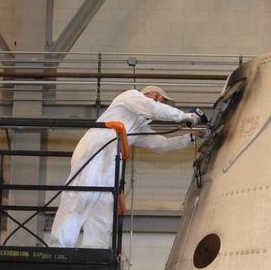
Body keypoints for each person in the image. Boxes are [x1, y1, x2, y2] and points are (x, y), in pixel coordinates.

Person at [50, 85, 202, 249]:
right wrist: (185, 116)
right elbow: (152, 108)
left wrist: (192, 138)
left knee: (104, 208)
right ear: (151, 93)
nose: (162, 103)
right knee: (79, 198)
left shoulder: (138, 126)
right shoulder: (131, 96)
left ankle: (94, 252)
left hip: (112, 161)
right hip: (95, 151)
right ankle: (60, 248)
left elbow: (162, 145)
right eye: (161, 99)